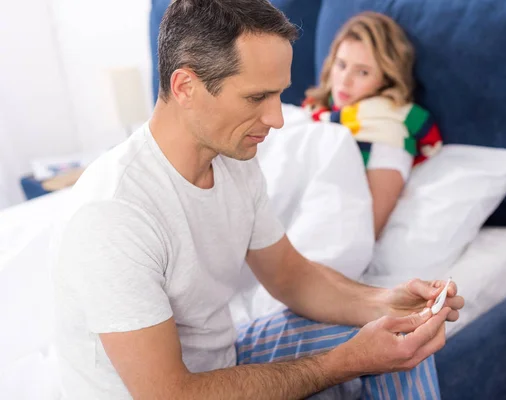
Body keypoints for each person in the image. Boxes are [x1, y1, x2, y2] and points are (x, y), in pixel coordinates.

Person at [51, 1, 464, 399]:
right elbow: (171, 394)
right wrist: (344, 361)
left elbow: (290, 275)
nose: (277, 119)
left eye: (278, 96)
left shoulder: (232, 156)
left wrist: (384, 302)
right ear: (185, 86)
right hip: (176, 392)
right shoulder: (114, 213)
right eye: (256, 98)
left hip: (224, 359)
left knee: (402, 338)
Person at [304, 12, 443, 239]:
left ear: (386, 79)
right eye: (341, 65)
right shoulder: (314, 112)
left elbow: (362, 234)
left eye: (362, 72)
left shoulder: (388, 137)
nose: (344, 80)